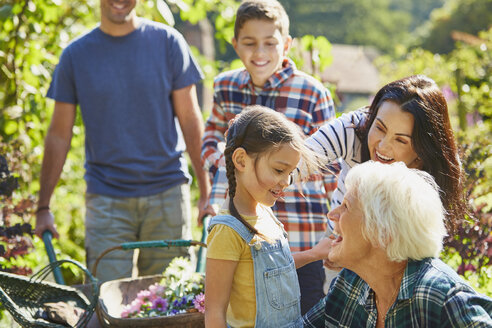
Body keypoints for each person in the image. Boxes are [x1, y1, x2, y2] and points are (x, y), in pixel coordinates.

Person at [34, 0, 211, 282]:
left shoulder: (168, 43)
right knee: (106, 304)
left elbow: (190, 120)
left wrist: (206, 190)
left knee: (167, 302)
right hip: (107, 199)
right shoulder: (76, 55)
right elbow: (58, 135)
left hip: (167, 193)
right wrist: (43, 207)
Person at [201, 0, 337, 313]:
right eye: (249, 43)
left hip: (299, 229)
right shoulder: (226, 87)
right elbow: (211, 137)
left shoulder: (311, 93)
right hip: (243, 229)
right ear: (236, 44)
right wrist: (229, 172)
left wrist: (336, 230)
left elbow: (328, 162)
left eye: (270, 43)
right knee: (245, 308)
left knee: (302, 309)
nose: (259, 53)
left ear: (286, 45)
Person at [301, 161, 492, 327]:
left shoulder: (442, 298)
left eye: (346, 206)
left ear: (382, 232)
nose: (332, 214)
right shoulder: (350, 283)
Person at [204, 106, 333, 328]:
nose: (286, 182)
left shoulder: (266, 214)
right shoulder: (228, 230)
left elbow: (272, 272)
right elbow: (214, 312)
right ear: (242, 161)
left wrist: (314, 254)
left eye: (290, 173)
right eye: (278, 170)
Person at [305, 75, 466, 233]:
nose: (382, 146)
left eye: (400, 140)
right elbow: (299, 159)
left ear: (421, 151)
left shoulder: (432, 178)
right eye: (380, 128)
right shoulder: (352, 127)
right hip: (338, 245)